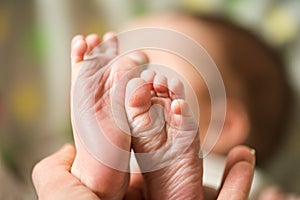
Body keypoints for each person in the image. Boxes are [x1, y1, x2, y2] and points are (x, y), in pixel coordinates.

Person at [32, 10, 294, 199]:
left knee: (85, 185)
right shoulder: (253, 189)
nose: (124, 71)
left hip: (108, 189)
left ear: (224, 124)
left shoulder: (241, 181)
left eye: (144, 65)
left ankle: (95, 179)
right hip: (197, 188)